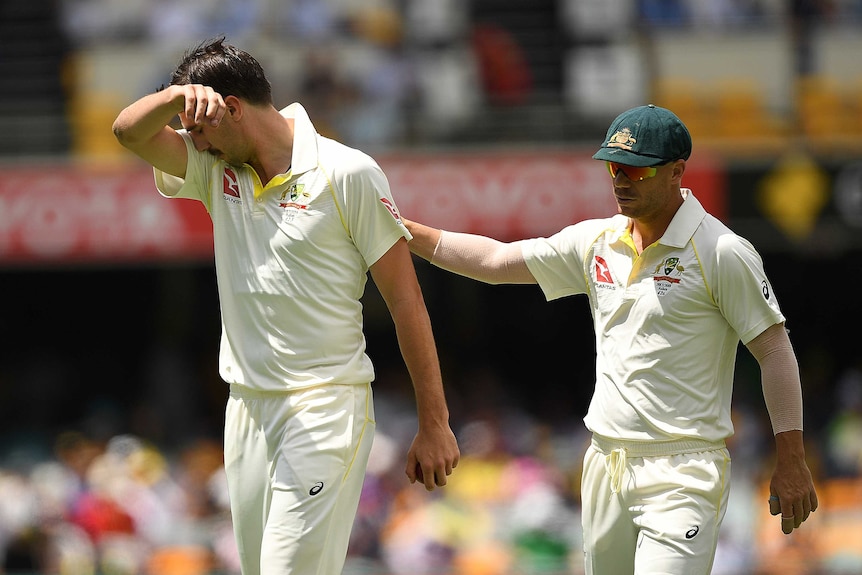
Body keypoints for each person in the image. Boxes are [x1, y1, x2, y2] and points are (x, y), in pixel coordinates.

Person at [402, 104, 818, 574]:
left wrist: (792, 459)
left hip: (682, 472)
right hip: (604, 464)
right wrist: (409, 233)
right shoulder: (599, 240)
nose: (621, 180)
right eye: (614, 168)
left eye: (637, 171)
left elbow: (775, 352)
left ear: (678, 171)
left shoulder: (721, 251)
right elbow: (498, 262)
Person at [111, 37, 460, 575]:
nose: (193, 142)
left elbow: (407, 303)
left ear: (231, 110)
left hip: (325, 408)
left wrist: (434, 422)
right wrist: (180, 95)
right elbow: (127, 132)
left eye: (198, 127)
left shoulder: (348, 173)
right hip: (247, 409)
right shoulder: (216, 169)